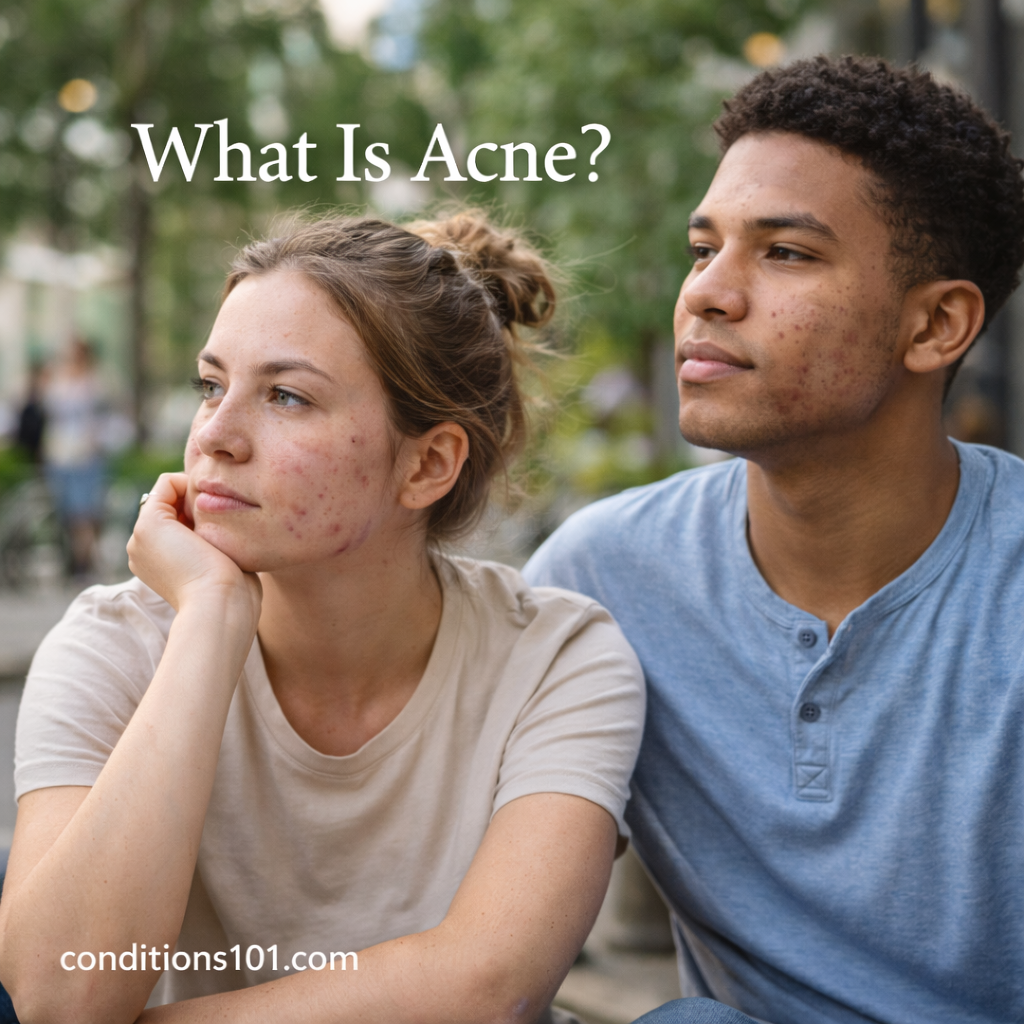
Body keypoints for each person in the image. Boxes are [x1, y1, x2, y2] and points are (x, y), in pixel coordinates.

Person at [0, 212, 645, 1024]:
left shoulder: (557, 657)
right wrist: (210, 617)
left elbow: (489, 988)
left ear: (427, 464)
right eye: (211, 385)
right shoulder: (113, 642)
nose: (216, 437)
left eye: (286, 396)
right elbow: (62, 996)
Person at [525, 56, 1024, 1024]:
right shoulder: (604, 580)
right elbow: (467, 923)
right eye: (701, 247)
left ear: (935, 324)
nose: (707, 293)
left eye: (785, 252)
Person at [41, 337, 109, 577]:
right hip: (61, 456)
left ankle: (82, 565)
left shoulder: (94, 384)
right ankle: (77, 561)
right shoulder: (60, 383)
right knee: (68, 515)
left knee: (83, 514)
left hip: (84, 457)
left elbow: (101, 422)